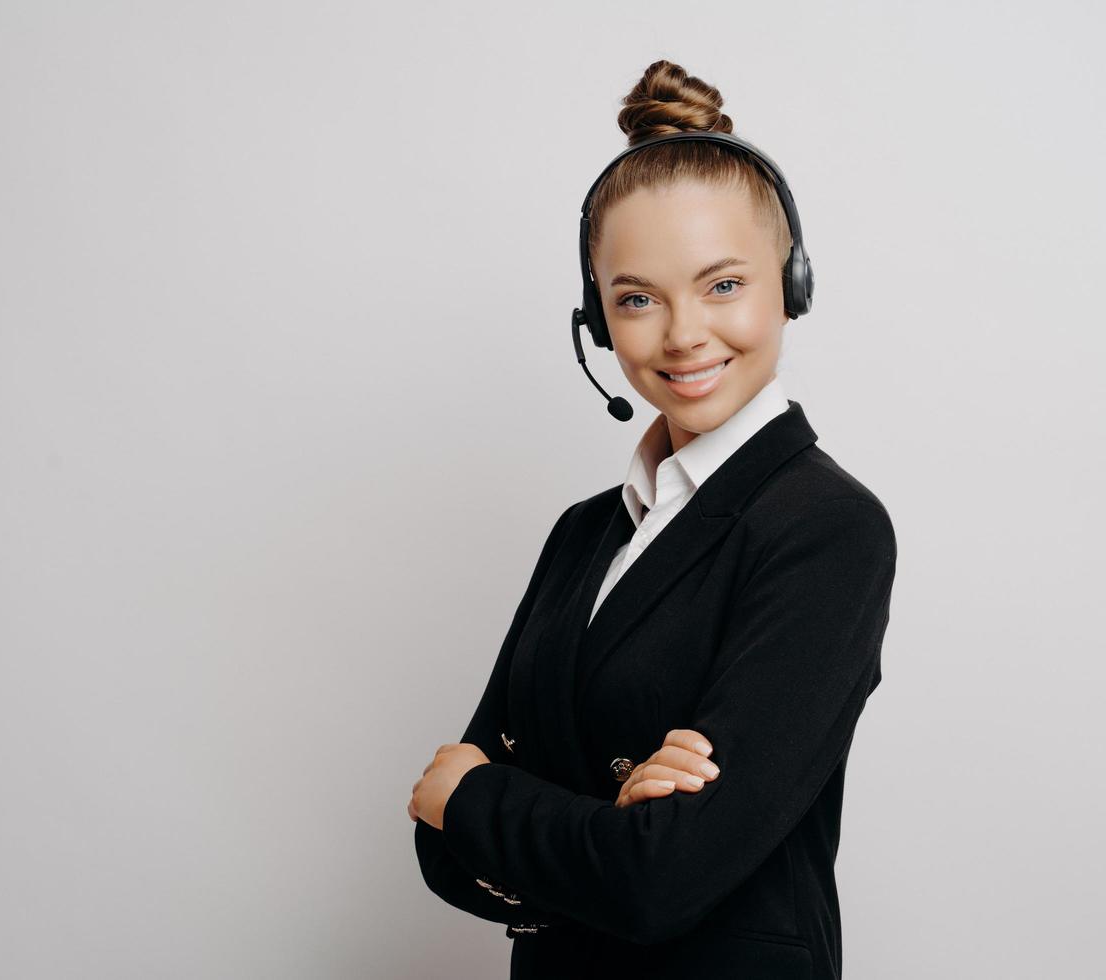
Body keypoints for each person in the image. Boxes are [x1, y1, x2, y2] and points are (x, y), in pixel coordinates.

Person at [407, 59, 898, 980]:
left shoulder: (829, 528)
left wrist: (484, 803)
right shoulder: (582, 536)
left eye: (722, 285)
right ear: (596, 318)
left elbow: (661, 877)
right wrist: (598, 821)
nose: (681, 335)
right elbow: (440, 855)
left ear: (790, 284)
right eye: (637, 298)